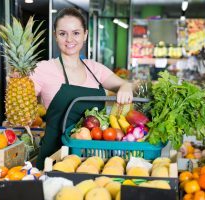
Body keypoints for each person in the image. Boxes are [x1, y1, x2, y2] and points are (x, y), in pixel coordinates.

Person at [30, 8, 136, 170]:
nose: (69, 39)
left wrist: (126, 86)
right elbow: (22, 106)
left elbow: (124, 84)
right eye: (63, 33)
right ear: (55, 36)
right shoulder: (42, 69)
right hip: (54, 158)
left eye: (76, 33)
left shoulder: (95, 69)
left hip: (92, 159)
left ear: (85, 35)